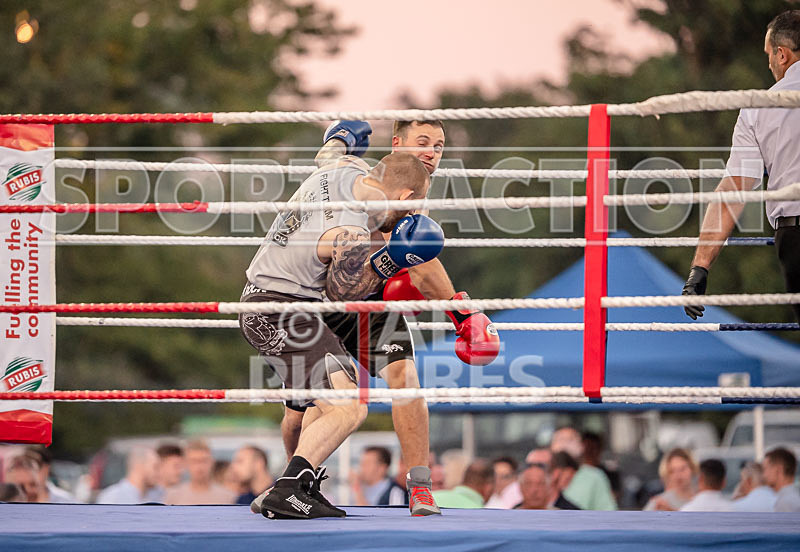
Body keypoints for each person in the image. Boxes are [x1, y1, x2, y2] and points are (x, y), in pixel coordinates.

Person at [276, 120, 500, 517]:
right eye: (423, 142)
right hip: (316, 295)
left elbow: (421, 263)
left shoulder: (417, 197)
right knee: (301, 414)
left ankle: (420, 488)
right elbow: (327, 165)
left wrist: (461, 311)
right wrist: (461, 310)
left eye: (439, 145)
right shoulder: (372, 182)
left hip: (372, 301)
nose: (432, 151)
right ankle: (294, 485)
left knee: (406, 378)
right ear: (397, 144)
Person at [242, 150, 440, 519]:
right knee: (349, 407)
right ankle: (287, 490)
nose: (411, 217)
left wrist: (342, 138)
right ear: (406, 198)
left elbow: (330, 152)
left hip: (286, 308)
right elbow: (342, 292)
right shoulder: (348, 229)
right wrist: (392, 258)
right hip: (280, 310)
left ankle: (295, 487)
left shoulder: (343, 170)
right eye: (416, 208)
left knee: (333, 401)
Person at [683, 10, 800, 323]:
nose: (769, 64)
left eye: (769, 56)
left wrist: (700, 268)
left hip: (795, 236)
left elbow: (732, 192)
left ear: (782, 54)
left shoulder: (760, 108)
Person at [550, 427, 616, 510]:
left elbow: (608, 513)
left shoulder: (594, 477)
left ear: (581, 446)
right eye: (560, 439)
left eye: (570, 440)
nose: (564, 444)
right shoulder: (541, 475)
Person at [164, 440, 235, 505]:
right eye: (194, 461)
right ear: (186, 463)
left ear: (212, 462)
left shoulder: (228, 497)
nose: (199, 466)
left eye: (204, 460)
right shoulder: (173, 496)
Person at [762, 447, 800, 512]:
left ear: (778, 470)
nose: (763, 475)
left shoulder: (786, 502)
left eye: (765, 469)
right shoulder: (791, 498)